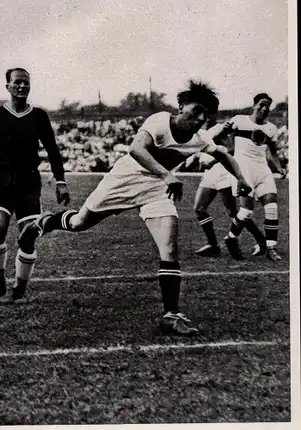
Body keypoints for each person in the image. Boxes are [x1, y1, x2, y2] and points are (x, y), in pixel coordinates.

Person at [19, 80, 251, 336]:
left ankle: (171, 315)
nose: (200, 119)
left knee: (170, 247)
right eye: (196, 110)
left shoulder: (200, 139)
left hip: (156, 189)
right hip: (125, 179)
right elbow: (136, 149)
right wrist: (167, 175)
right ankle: (45, 222)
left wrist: (241, 178)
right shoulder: (160, 121)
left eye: (205, 116)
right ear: (181, 105)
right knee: (79, 224)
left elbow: (225, 155)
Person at [0, 68, 70, 305]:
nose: (22, 87)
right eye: (17, 82)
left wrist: (60, 181)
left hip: (29, 183)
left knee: (27, 238)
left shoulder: (39, 116)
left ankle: (19, 288)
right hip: (1, 181)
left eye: (26, 83)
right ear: (8, 86)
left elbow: (52, 149)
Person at [216, 93, 285, 261]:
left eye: (267, 106)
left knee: (272, 208)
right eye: (261, 104)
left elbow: (273, 152)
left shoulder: (271, 128)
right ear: (254, 105)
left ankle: (271, 248)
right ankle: (231, 238)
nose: (264, 108)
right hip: (243, 171)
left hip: (263, 170)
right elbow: (219, 136)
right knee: (246, 212)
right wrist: (230, 148)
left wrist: (279, 167)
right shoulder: (239, 120)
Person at [192, 119, 266, 257]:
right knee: (199, 209)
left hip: (224, 171)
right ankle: (213, 245)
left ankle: (261, 240)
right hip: (210, 174)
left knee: (232, 212)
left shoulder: (219, 128)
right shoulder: (201, 131)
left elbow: (231, 150)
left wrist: (212, 160)